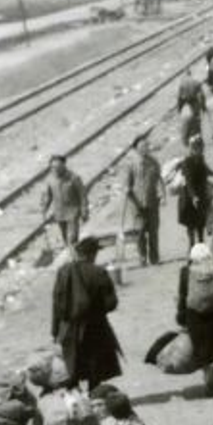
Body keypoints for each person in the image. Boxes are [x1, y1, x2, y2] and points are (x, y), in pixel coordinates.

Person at [51, 236, 124, 391]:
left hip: (68, 328)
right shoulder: (99, 272)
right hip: (95, 328)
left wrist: (55, 330)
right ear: (93, 253)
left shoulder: (63, 272)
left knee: (72, 369)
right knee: (94, 369)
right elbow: (111, 303)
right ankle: (94, 396)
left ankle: (75, 399)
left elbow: (57, 304)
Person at [176, 243, 213, 370]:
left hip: (195, 317)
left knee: (202, 352)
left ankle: (208, 373)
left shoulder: (186, 271)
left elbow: (183, 296)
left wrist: (181, 317)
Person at [122, 137, 165, 267]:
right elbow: (126, 183)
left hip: (152, 202)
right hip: (137, 203)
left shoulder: (154, 162)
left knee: (153, 231)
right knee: (139, 232)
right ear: (136, 149)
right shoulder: (131, 164)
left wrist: (163, 195)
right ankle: (142, 257)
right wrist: (127, 189)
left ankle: (154, 258)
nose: (145, 149)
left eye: (146, 146)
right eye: (142, 147)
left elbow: (159, 180)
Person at [39, 155, 88, 249]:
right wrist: (45, 207)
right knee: (65, 237)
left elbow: (82, 195)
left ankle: (73, 253)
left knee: (72, 238)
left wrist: (84, 210)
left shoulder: (74, 178)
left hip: (73, 212)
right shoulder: (51, 180)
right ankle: (70, 252)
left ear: (64, 166)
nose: (55, 170)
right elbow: (49, 196)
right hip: (59, 213)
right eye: (53, 167)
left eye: (58, 167)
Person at [176, 135, 212, 248]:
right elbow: (189, 181)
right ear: (192, 149)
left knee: (200, 223)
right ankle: (191, 247)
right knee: (191, 224)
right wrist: (193, 197)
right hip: (188, 196)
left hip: (200, 195)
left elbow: (207, 172)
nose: (200, 150)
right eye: (197, 148)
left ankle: (200, 245)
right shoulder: (188, 161)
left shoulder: (201, 160)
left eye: (200, 147)